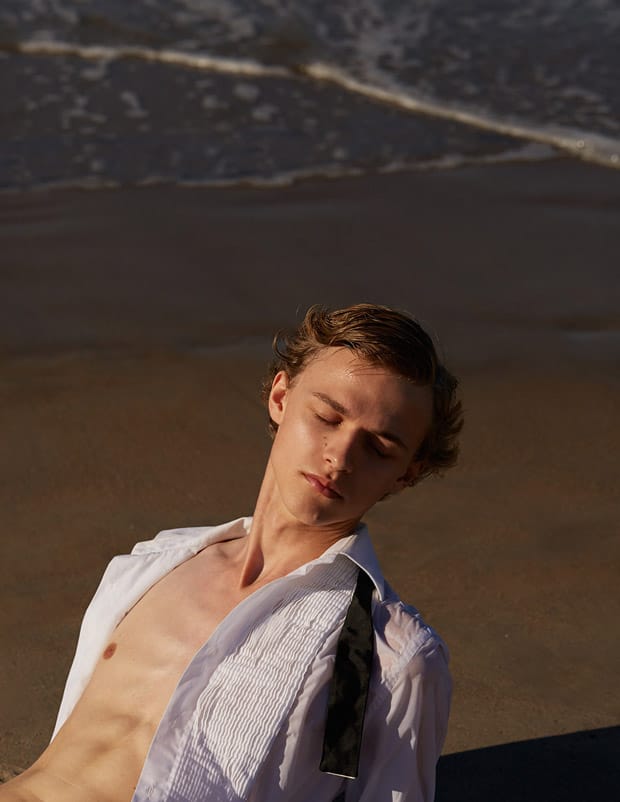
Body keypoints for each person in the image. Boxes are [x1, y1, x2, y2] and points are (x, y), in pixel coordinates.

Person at [2, 303, 463, 802]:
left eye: (378, 448)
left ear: (407, 473)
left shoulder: (383, 656)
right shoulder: (155, 563)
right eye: (327, 416)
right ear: (281, 398)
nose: (340, 456)